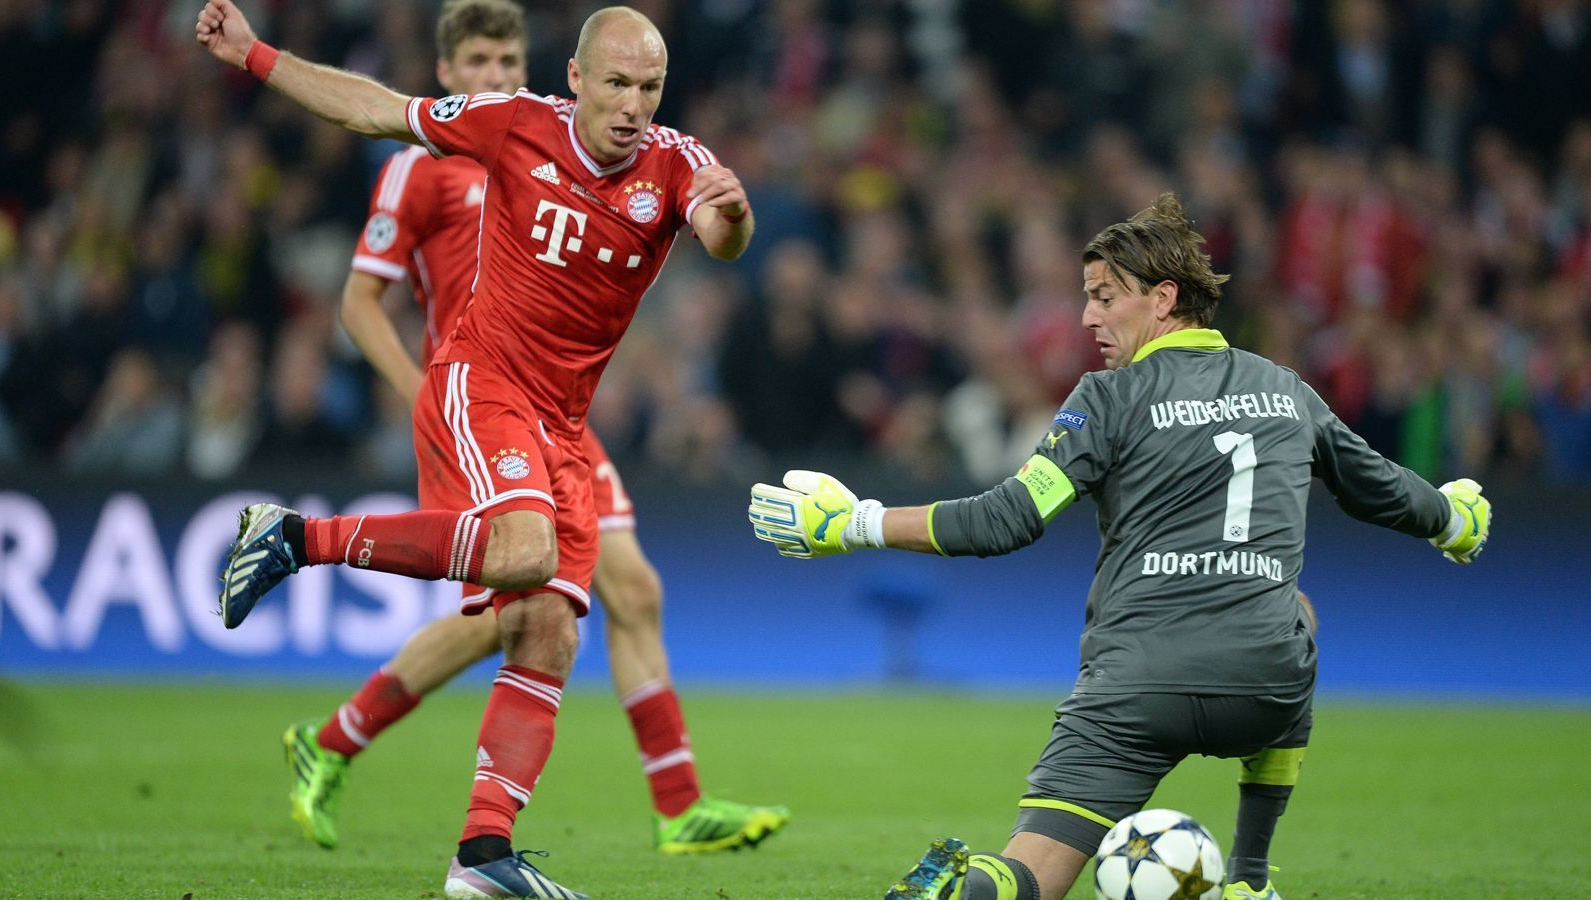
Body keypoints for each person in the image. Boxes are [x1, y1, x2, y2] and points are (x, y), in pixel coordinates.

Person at [747, 193, 1491, 900]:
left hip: (1136, 692)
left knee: (1027, 875)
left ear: (1163, 300)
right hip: (1263, 690)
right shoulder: (1286, 389)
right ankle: (1251, 877)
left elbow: (1005, 519)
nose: (1086, 315)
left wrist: (854, 523)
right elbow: (1385, 491)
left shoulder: (1105, 400)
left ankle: (977, 888)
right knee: (1296, 612)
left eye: (1105, 296)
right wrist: (1454, 519)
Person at [197, 2, 758, 896]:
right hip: (480, 380)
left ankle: (483, 856)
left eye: (649, 87)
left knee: (543, 626)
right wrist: (255, 54)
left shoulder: (675, 162)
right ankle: (297, 538)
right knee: (525, 558)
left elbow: (721, 236)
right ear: (575, 78)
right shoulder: (512, 124)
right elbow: (371, 109)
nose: (632, 105)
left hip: (565, 427)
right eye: (616, 83)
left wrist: (732, 217)